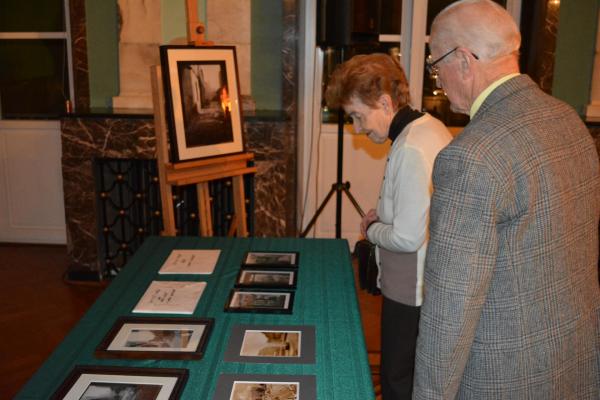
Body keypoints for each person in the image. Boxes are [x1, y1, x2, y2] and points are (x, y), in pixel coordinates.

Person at [413, 1, 600, 399]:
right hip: (573, 360)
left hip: (500, 377)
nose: (438, 80)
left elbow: (450, 311)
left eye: (436, 65)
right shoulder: (568, 120)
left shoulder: (470, 157)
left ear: (464, 60)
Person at [326, 53, 452, 399]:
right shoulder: (429, 126)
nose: (357, 128)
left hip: (409, 288)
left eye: (357, 115)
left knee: (397, 380)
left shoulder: (410, 147)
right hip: (423, 282)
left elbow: (408, 237)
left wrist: (371, 229)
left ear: (384, 102)